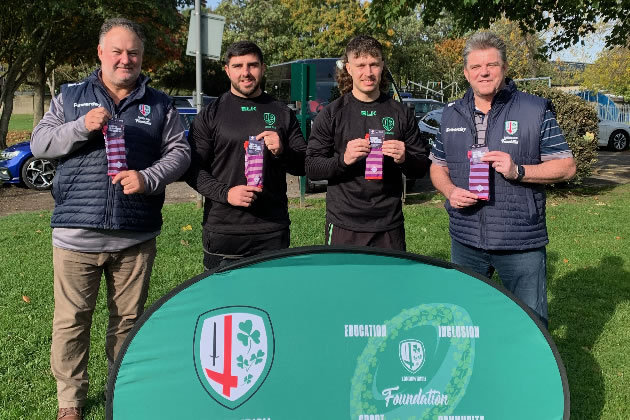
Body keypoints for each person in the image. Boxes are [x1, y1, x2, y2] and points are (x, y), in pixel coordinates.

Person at [31, 18, 190, 420]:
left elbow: (181, 153)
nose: (125, 59)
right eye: (117, 51)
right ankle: (70, 403)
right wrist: (81, 126)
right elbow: (40, 143)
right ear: (100, 53)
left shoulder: (160, 104)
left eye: (133, 52)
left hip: (134, 234)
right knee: (71, 322)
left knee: (129, 323)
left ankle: (123, 392)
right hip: (76, 234)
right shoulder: (70, 97)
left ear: (141, 57)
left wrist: (148, 177)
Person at [429, 32, 576, 328]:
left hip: (520, 241)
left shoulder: (535, 110)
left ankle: (528, 374)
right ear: (466, 73)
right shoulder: (451, 114)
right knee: (465, 321)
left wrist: (519, 171)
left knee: (529, 324)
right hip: (466, 238)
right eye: (476, 67)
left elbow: (567, 166)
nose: (484, 72)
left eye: (492, 65)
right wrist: (450, 190)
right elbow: (437, 166)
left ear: (505, 69)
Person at [185, 41, 306, 270]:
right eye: (238, 66)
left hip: (271, 229)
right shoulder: (211, 114)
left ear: (263, 68)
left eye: (252, 65)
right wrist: (226, 193)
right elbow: (192, 169)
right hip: (223, 230)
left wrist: (282, 151)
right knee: (224, 304)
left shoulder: (281, 112)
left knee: (270, 301)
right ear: (227, 70)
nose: (246, 72)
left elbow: (303, 165)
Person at [305, 35, 430, 250]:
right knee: (345, 285)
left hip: (388, 224)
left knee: (389, 285)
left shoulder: (400, 113)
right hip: (344, 224)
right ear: (349, 69)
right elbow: (311, 168)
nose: (368, 72)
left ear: (382, 66)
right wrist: (342, 160)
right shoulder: (332, 114)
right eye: (361, 65)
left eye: (374, 64)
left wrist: (405, 158)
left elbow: (421, 168)